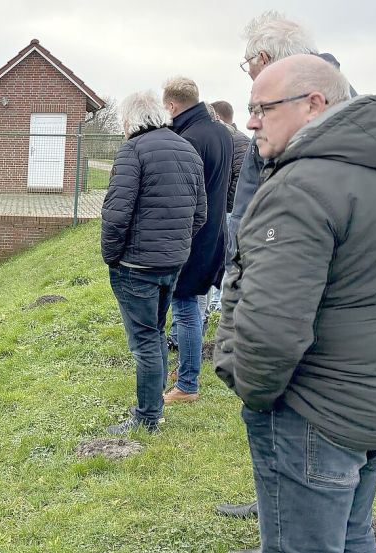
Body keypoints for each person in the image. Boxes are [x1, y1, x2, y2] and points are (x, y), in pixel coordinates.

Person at [216, 54, 376, 552]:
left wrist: (254, 393)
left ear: (313, 104)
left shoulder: (302, 187)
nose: (251, 122)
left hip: (316, 409)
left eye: (263, 108)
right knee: (353, 532)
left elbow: (272, 325)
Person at [217, 10, 356, 522]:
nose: (253, 120)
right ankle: (281, 497)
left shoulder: (294, 117)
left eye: (248, 66)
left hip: (296, 314)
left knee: (286, 424)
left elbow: (275, 233)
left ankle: (282, 500)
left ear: (265, 59)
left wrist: (248, 377)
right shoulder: (350, 107)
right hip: (355, 350)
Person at [101, 90, 206, 435]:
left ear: (130, 120)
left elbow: (116, 215)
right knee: (156, 332)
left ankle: (148, 417)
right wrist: (176, 246)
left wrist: (112, 256)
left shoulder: (132, 151)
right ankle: (155, 404)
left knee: (145, 340)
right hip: (172, 263)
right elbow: (200, 213)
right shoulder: (186, 149)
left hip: (136, 267)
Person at [161, 78, 232, 405]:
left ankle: (187, 383)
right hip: (215, 233)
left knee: (185, 307)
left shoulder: (188, 139)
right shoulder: (221, 132)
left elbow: (181, 197)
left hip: (192, 237)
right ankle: (185, 368)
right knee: (193, 305)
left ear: (172, 106)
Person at [206, 100, 250, 314]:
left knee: (227, 257)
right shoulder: (238, 139)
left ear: (218, 117)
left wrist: (224, 206)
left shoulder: (236, 141)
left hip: (230, 210)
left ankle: (219, 304)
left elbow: (239, 180)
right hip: (229, 210)